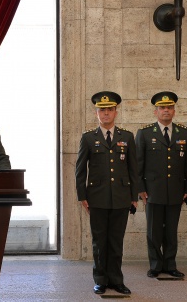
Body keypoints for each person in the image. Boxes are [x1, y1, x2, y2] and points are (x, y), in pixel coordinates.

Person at [75, 91, 138, 295]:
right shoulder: (88, 138)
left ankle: (117, 280)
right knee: (99, 242)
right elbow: (80, 169)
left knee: (116, 241)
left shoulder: (127, 137)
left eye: (110, 110)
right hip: (97, 198)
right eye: (102, 110)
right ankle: (100, 280)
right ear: (97, 113)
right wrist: (82, 196)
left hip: (121, 197)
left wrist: (133, 197)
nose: (106, 114)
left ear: (115, 112)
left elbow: (133, 169)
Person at [136, 91, 187, 279]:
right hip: (153, 191)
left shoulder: (185, 133)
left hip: (176, 191)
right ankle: (155, 265)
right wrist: (140, 189)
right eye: (162, 108)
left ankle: (170, 265)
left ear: (174, 111)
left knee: (171, 231)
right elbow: (138, 164)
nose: (166, 111)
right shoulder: (144, 134)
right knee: (153, 231)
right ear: (156, 112)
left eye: (169, 107)